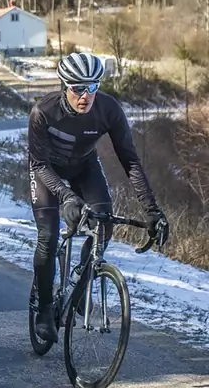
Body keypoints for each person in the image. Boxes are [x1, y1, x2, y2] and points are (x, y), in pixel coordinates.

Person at [28, 52, 169, 342]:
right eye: (78, 88)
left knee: (104, 222)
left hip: (84, 166)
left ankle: (83, 277)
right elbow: (40, 164)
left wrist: (153, 211)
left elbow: (130, 161)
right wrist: (66, 196)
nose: (86, 95)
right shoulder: (43, 112)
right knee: (48, 235)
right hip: (48, 171)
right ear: (64, 86)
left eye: (93, 87)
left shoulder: (108, 109)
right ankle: (44, 309)